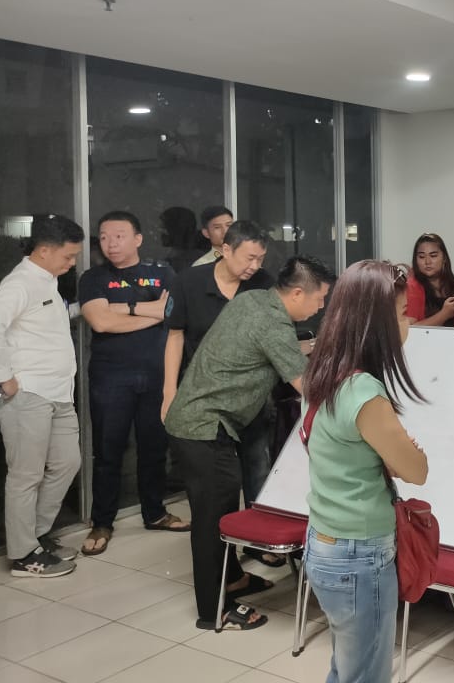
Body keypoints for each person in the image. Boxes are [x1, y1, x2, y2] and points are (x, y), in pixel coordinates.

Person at [164, 255, 332, 631]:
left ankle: (234, 579)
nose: (321, 306)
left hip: (200, 421)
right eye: (319, 298)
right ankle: (214, 610)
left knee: (222, 510)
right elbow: (308, 387)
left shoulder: (254, 299)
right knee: (213, 521)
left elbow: (265, 352)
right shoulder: (273, 323)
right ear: (298, 293)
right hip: (204, 427)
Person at [303, 260, 428, 683]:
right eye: (402, 313)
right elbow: (416, 470)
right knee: (366, 673)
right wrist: (406, 451)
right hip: (358, 553)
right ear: (376, 324)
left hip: (325, 540)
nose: (408, 322)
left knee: (348, 667)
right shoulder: (364, 392)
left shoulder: (323, 373)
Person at [164, 219, 284, 567]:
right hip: (205, 401)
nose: (255, 266)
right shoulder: (189, 281)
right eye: (249, 258)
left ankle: (257, 541)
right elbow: (175, 337)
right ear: (225, 249)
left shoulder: (263, 284)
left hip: (251, 397)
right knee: (217, 482)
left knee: (257, 466)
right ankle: (221, 553)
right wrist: (169, 392)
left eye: (260, 258)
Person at [0, 214, 85, 577]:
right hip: (28, 395)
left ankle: (34, 535)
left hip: (59, 393)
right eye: (68, 256)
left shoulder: (48, 281)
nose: (72, 263)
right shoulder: (21, 282)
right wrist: (4, 378)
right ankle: (24, 555)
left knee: (67, 463)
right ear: (44, 250)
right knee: (26, 475)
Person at [77, 212, 184, 556]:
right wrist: (148, 309)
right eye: (104, 237)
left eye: (119, 236)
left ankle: (155, 512)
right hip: (111, 377)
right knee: (108, 452)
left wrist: (123, 309)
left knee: (154, 449)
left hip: (156, 375)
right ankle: (102, 522)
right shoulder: (93, 277)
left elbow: (172, 313)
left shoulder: (162, 273)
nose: (110, 244)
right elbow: (101, 323)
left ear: (138, 239)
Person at [405, 232, 454, 327]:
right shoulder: (412, 286)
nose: (427, 262)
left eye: (433, 256)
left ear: (444, 258)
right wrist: (444, 314)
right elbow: (410, 330)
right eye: (421, 257)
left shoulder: (449, 282)